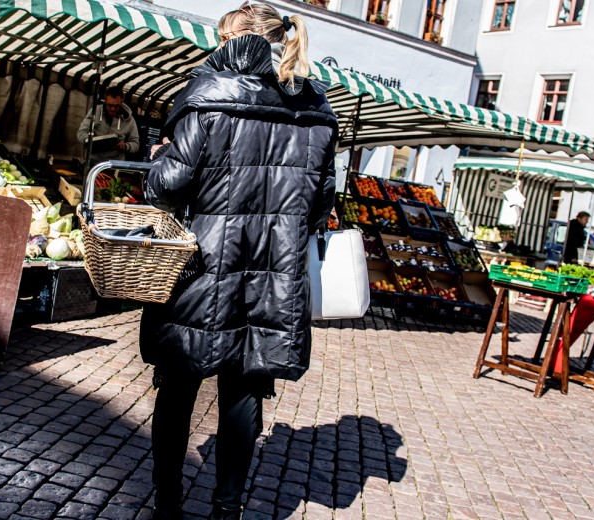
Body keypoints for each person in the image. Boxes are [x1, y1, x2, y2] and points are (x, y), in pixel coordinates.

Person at [140, 3, 338, 519]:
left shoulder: (207, 97)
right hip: (275, 271)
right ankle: (227, 511)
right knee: (245, 389)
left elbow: (166, 188)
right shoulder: (317, 108)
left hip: (204, 265)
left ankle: (168, 507)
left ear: (231, 42)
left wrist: (160, 155)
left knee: (178, 385)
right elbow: (321, 203)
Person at [76, 85, 140, 163]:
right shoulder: (95, 112)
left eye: (116, 106)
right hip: (92, 162)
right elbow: (81, 132)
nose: (112, 109)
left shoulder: (130, 120)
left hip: (115, 164)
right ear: (105, 100)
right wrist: (91, 141)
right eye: (109, 105)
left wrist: (125, 146)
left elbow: (136, 144)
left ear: (122, 101)